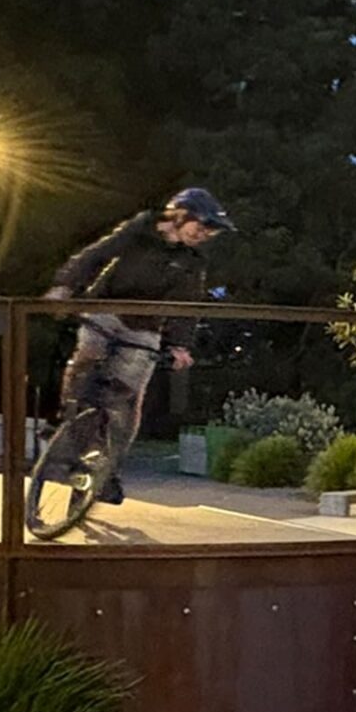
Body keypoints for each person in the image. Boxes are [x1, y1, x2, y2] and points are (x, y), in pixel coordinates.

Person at [41, 187, 234, 504]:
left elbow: (186, 306)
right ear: (180, 216)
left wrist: (180, 346)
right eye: (200, 227)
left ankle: (108, 469)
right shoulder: (141, 228)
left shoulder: (193, 261)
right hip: (106, 309)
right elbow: (96, 255)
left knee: (128, 398)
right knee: (89, 352)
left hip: (145, 328)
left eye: (209, 233)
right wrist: (65, 285)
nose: (203, 235)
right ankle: (68, 417)